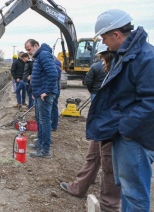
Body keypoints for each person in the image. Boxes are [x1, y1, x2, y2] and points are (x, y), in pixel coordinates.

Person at [87, 9, 154, 211]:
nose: (104, 43)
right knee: (126, 189)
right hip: (125, 134)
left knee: (134, 195)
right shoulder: (125, 55)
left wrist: (125, 129)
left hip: (134, 138)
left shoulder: (146, 58)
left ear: (117, 34)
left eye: (105, 37)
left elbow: (151, 101)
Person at [60, 45, 121, 212]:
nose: (101, 60)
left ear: (109, 55)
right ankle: (79, 187)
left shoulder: (121, 69)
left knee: (109, 167)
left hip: (111, 126)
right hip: (102, 123)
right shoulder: (110, 69)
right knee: (92, 156)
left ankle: (110, 206)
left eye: (102, 57)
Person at [24, 39, 58, 158]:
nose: (28, 52)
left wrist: (46, 91)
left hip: (45, 96)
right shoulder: (39, 57)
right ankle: (40, 143)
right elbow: (40, 75)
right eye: (26, 50)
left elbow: (53, 73)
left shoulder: (43, 55)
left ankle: (45, 150)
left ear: (36, 46)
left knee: (44, 121)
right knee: (40, 120)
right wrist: (36, 92)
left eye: (29, 49)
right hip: (39, 94)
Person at [51, 57, 62, 132]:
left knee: (53, 107)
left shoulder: (55, 67)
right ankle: (53, 124)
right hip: (57, 89)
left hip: (53, 90)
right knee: (54, 107)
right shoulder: (58, 67)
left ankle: (53, 125)